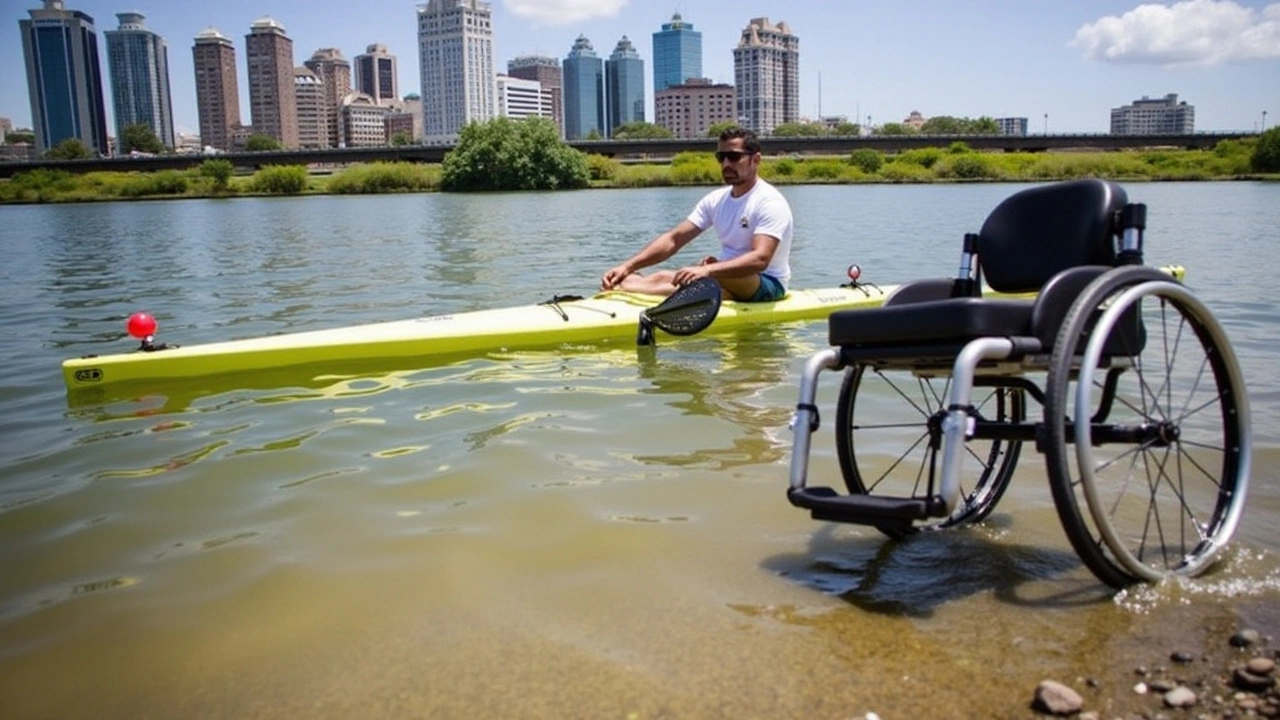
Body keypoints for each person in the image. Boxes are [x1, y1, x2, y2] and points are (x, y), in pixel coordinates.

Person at [601, 126, 793, 302]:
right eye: (721, 157)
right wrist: (627, 266)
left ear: (755, 160)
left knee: (698, 283)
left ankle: (631, 291)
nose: (726, 164)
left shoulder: (770, 202)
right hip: (723, 274)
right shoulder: (715, 199)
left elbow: (760, 259)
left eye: (734, 157)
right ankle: (626, 287)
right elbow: (674, 239)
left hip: (767, 283)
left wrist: (708, 270)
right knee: (657, 277)